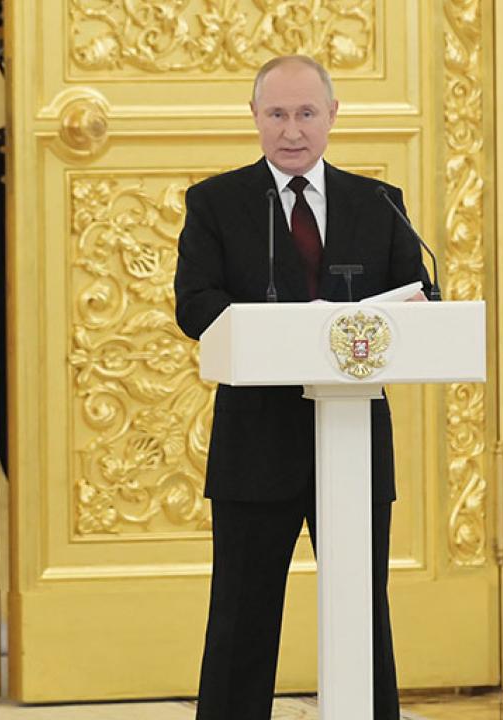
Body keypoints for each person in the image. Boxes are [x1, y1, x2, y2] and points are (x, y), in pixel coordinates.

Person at [173, 54, 430, 720]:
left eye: (306, 113)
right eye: (278, 114)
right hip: (256, 439)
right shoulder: (217, 203)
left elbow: (418, 299)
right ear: (255, 118)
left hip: (353, 438)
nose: (293, 130)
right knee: (242, 612)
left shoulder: (379, 204)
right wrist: (281, 330)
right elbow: (194, 304)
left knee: (361, 608)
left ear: (333, 116)